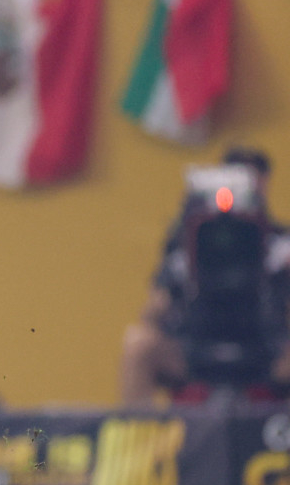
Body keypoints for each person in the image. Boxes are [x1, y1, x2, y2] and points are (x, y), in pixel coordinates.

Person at [120, 147, 290, 407]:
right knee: (138, 343)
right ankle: (135, 442)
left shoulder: (282, 246)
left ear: (265, 183)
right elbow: (154, 309)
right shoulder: (187, 244)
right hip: (195, 353)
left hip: (266, 355)